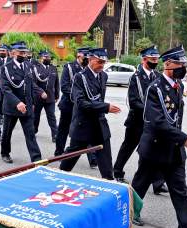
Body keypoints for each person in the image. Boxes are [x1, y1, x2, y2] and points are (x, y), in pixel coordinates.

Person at [130, 45, 187, 228]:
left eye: (184, 64)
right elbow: (157, 122)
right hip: (154, 147)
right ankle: (128, 214)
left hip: (173, 149)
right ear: (168, 64)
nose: (183, 68)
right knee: (140, 184)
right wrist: (183, 138)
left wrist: (178, 141)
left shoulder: (177, 86)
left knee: (179, 189)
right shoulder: (155, 89)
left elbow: (174, 118)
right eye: (180, 64)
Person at [113, 45, 168, 194]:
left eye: (157, 59)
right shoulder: (136, 77)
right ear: (144, 59)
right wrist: (150, 110)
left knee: (152, 151)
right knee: (128, 147)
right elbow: (133, 101)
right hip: (137, 120)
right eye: (152, 59)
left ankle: (157, 183)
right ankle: (117, 171)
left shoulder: (157, 76)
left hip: (152, 122)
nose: (155, 62)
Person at [60, 48, 121, 180]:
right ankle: (57, 176)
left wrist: (103, 108)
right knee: (71, 157)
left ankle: (109, 182)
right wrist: (105, 107)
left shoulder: (104, 76)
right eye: (99, 62)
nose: (102, 65)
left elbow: (99, 98)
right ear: (91, 59)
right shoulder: (79, 77)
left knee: (105, 160)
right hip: (83, 123)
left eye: (104, 63)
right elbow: (81, 103)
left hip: (99, 123)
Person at [0, 41, 45, 163]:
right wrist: (17, 103)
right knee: (7, 132)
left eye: (25, 52)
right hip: (12, 106)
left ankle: (36, 158)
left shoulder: (28, 66)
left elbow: (30, 84)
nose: (24, 55)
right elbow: (5, 89)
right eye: (21, 52)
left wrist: (36, 98)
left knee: (30, 133)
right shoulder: (6, 68)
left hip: (27, 106)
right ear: (13, 53)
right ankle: (5, 153)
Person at [55, 47, 97, 168]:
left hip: (83, 108)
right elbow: (64, 86)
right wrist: (78, 98)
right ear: (79, 55)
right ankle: (59, 153)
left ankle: (92, 158)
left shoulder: (89, 69)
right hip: (69, 105)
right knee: (63, 130)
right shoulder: (69, 67)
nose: (87, 59)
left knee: (88, 131)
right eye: (85, 57)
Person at [32, 50, 60, 142]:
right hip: (38, 97)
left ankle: (55, 135)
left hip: (50, 97)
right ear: (41, 58)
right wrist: (40, 92)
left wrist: (57, 95)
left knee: (51, 116)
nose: (48, 59)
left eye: (48, 57)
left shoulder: (53, 68)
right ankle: (34, 131)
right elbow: (33, 84)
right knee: (36, 116)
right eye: (45, 57)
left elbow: (56, 83)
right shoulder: (36, 68)